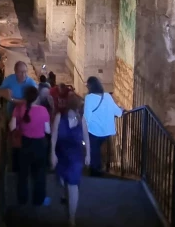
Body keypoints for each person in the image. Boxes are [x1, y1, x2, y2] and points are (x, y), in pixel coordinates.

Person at [51, 94, 89, 227]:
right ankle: (67, 196)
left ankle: (72, 218)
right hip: (61, 154)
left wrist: (88, 154)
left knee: (72, 185)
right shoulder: (59, 118)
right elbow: (54, 136)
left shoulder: (81, 120)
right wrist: (52, 154)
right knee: (62, 181)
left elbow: (86, 137)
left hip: (75, 157)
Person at [10, 86, 51, 206]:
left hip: (25, 144)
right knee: (40, 174)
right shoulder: (43, 110)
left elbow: (12, 127)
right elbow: (48, 130)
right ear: (37, 97)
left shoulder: (19, 109)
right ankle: (39, 200)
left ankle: (22, 199)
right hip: (40, 145)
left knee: (23, 174)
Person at [83, 76, 122, 176]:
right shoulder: (108, 96)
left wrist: (84, 133)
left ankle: (95, 172)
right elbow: (118, 113)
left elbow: (87, 117)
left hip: (94, 131)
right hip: (106, 132)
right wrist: (121, 110)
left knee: (94, 150)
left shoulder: (89, 98)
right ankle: (100, 168)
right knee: (98, 150)